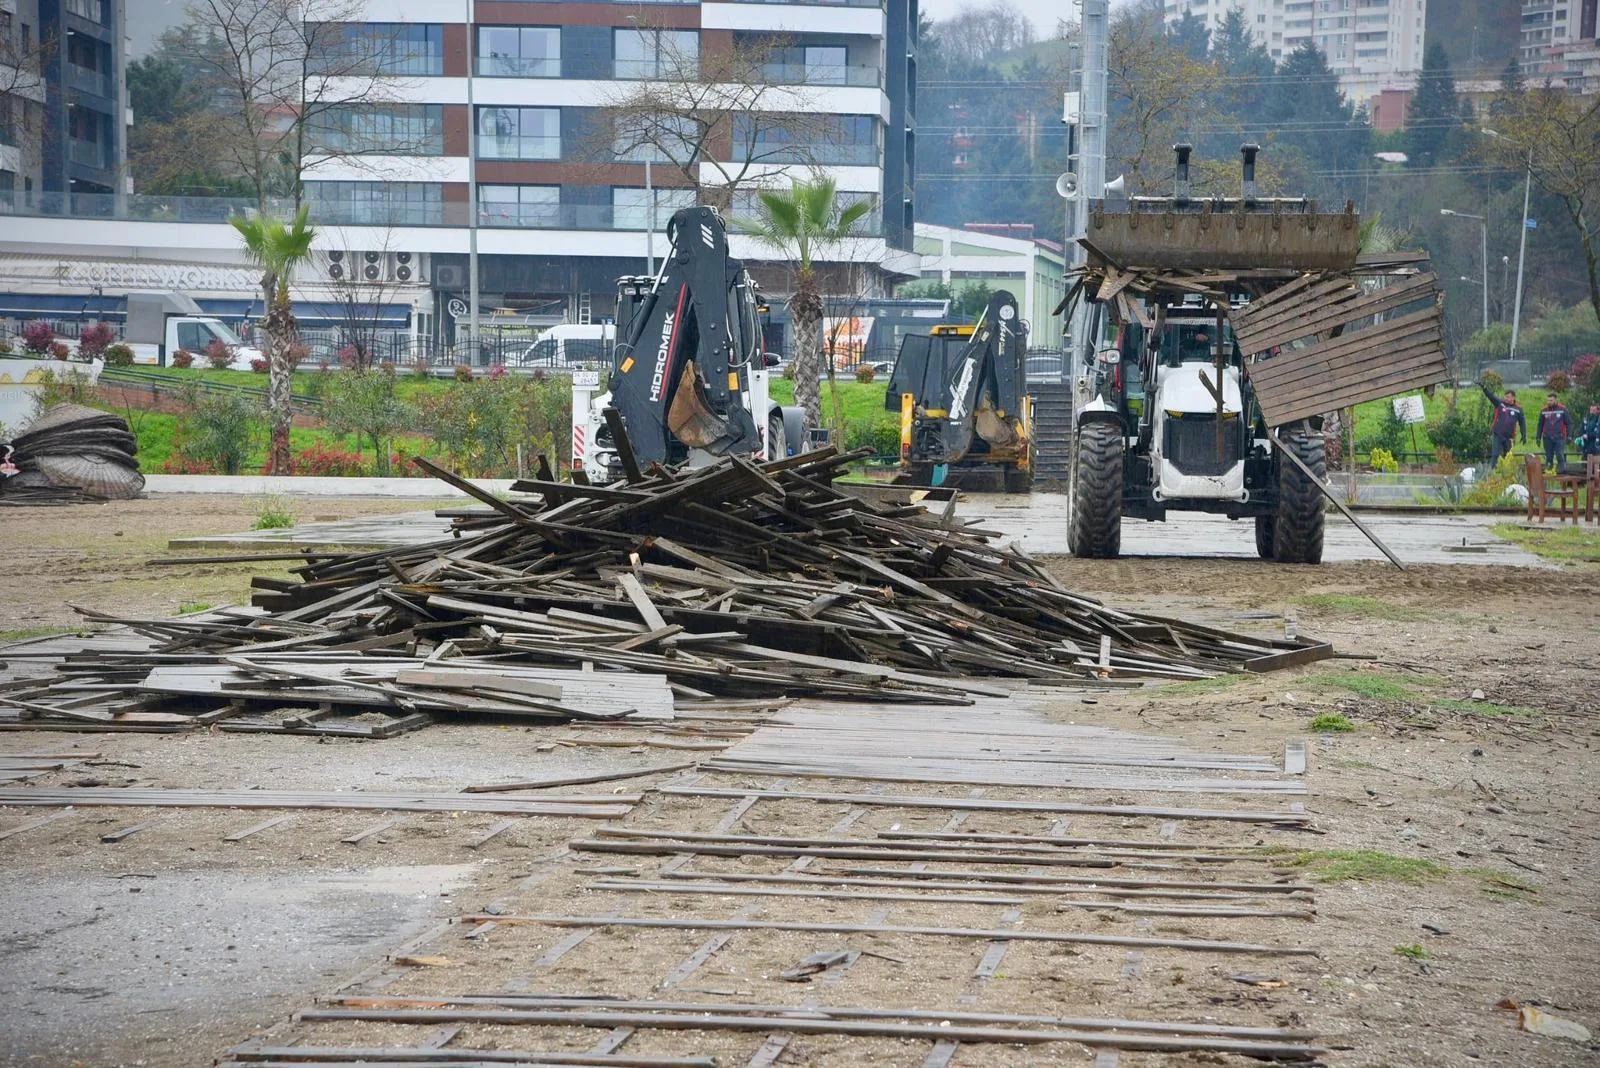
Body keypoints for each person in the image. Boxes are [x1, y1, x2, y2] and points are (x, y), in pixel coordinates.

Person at [1479, 379, 1526, 469]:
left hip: (1509, 436)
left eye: (1508, 397)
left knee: (1508, 456)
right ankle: (1491, 472)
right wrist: (1484, 388)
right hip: (1498, 433)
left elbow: (1522, 423)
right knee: (1495, 454)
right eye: (1505, 397)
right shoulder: (1500, 404)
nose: (1506, 398)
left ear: (1513, 398)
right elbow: (1491, 397)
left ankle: (1506, 474)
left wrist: (1524, 435)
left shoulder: (1518, 409)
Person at [1535, 391, 1574, 470]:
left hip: (1559, 437)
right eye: (1548, 400)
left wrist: (1570, 436)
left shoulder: (1563, 409)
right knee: (1549, 457)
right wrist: (1538, 437)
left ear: (1556, 400)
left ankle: (1562, 472)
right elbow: (1540, 425)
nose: (1549, 402)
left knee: (1559, 454)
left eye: (1551, 400)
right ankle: (1549, 473)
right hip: (1547, 437)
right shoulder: (1544, 410)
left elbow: (1569, 423)